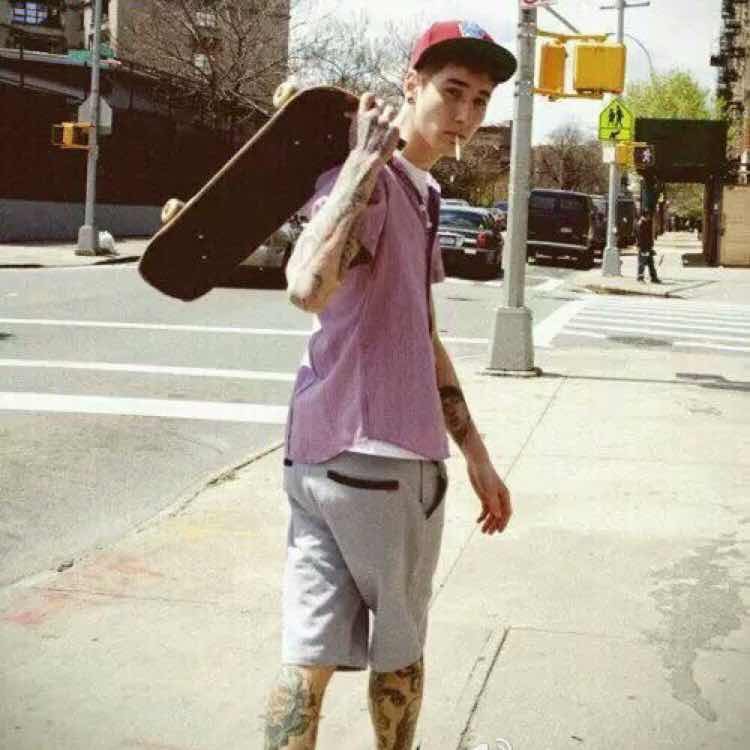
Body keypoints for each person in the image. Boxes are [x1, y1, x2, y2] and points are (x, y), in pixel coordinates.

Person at [263, 20, 516, 750]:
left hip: (315, 457)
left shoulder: (420, 192)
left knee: (307, 659)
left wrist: (475, 451)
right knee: (399, 656)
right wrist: (362, 167)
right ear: (411, 84)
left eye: (480, 100)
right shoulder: (370, 179)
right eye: (452, 91)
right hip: (384, 461)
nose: (465, 113)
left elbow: (421, 335)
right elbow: (306, 286)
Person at [636, 210, 661, 283]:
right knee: (642, 262)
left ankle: (653, 277)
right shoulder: (641, 224)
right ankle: (640, 277)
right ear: (646, 215)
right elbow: (640, 237)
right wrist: (642, 247)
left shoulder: (645, 223)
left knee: (650, 263)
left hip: (647, 247)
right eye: (649, 216)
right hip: (644, 247)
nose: (650, 217)